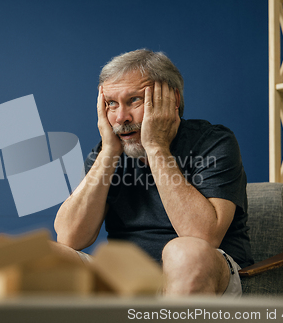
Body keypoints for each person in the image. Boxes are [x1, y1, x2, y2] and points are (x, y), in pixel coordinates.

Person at [53, 49, 253, 296]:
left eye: (134, 100)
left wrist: (156, 147)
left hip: (207, 272)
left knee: (184, 253)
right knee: (47, 257)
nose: (121, 117)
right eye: (111, 104)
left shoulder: (214, 142)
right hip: (126, 278)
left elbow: (203, 237)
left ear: (172, 99)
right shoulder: (110, 151)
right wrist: (108, 153)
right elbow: (69, 237)